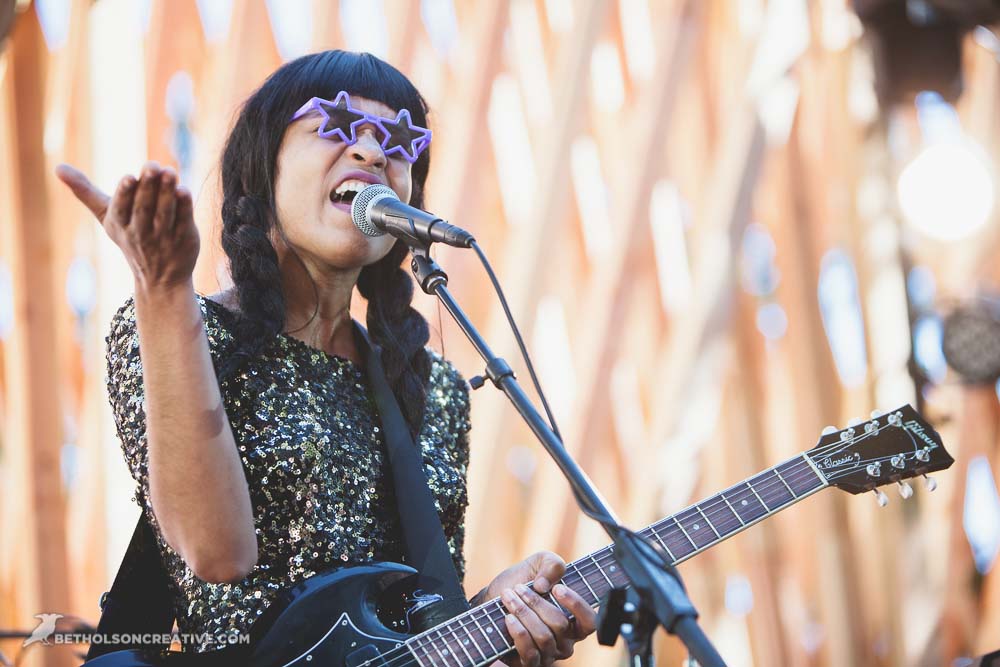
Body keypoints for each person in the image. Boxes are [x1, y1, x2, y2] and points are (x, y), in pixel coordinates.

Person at [57, 50, 596, 665]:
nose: (372, 152)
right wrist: (163, 287)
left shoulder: (437, 389)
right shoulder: (185, 325)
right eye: (335, 126)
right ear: (264, 170)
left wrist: (496, 621)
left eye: (397, 138)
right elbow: (215, 554)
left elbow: (414, 627)